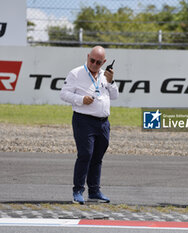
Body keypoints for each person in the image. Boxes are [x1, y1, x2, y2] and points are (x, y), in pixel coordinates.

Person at [60, 46, 119, 204]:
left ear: (104, 62)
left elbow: (115, 96)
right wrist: (81, 100)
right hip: (84, 120)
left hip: (103, 122)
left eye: (98, 62)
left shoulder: (105, 75)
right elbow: (63, 94)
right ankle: (78, 190)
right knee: (85, 154)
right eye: (92, 60)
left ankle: (94, 191)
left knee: (97, 157)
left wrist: (111, 81)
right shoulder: (76, 73)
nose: (94, 64)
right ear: (87, 57)